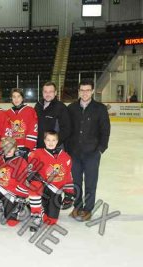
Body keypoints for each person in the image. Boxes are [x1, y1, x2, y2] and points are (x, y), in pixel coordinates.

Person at [67, 80, 110, 221]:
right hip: (75, 153)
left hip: (92, 153)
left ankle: (88, 209)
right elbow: (67, 129)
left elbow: (105, 130)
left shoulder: (100, 108)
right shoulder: (72, 108)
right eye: (82, 90)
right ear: (79, 91)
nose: (85, 92)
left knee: (91, 182)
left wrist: (100, 149)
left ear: (92, 91)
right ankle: (77, 206)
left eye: (87, 90)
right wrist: (68, 149)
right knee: (76, 182)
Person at [27, 131, 74, 232]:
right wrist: (32, 174)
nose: (50, 142)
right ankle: (36, 215)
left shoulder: (66, 157)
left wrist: (69, 193)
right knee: (34, 185)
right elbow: (29, 170)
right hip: (43, 188)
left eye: (53, 140)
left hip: (55, 190)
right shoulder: (37, 153)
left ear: (57, 141)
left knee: (51, 221)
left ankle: (38, 208)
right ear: (44, 141)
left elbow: (68, 176)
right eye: (48, 140)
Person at [34, 82, 71, 149]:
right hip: (39, 147)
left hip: (54, 148)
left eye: (50, 91)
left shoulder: (61, 107)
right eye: (45, 91)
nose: (48, 94)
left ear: (55, 93)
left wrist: (53, 144)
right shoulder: (38, 106)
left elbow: (66, 129)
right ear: (42, 92)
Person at [6, 88, 38, 157]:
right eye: (14, 97)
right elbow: (7, 131)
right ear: (11, 99)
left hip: (27, 149)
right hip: (12, 149)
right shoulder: (7, 113)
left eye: (18, 96)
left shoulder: (30, 110)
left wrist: (27, 147)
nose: (16, 99)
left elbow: (33, 130)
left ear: (22, 98)